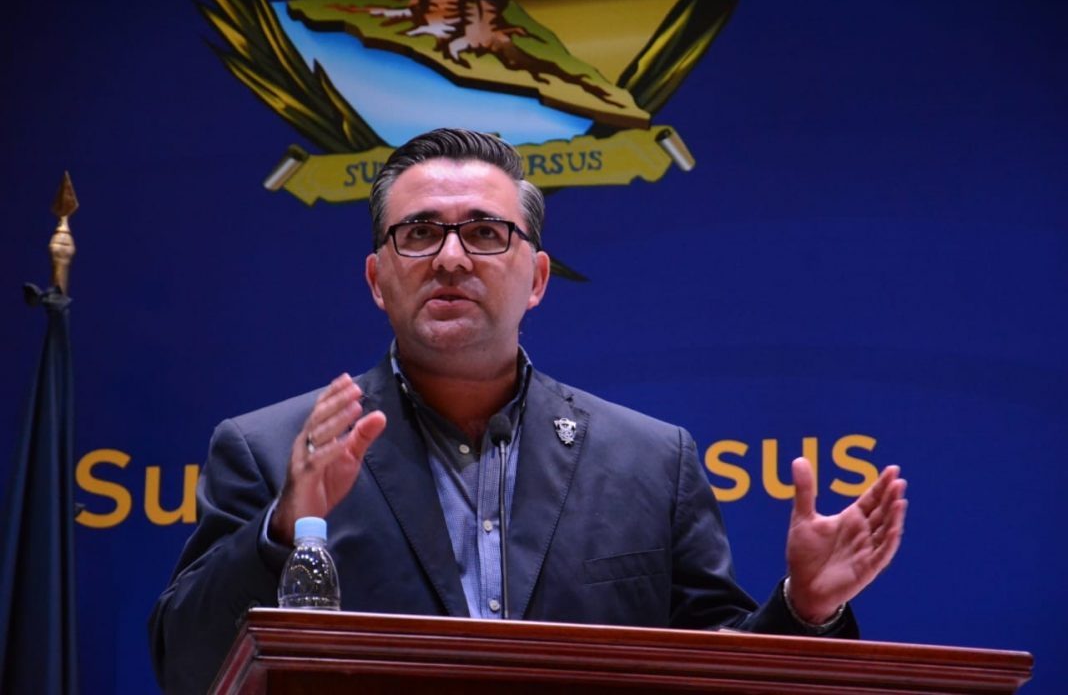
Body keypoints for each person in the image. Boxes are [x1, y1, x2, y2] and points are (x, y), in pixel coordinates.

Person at [148, 128, 908, 694]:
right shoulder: (270, 449)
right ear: (378, 280)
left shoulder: (651, 462)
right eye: (420, 233)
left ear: (537, 278)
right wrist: (283, 529)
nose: (451, 258)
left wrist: (805, 608)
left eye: (485, 232)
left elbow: (722, 672)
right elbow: (185, 667)